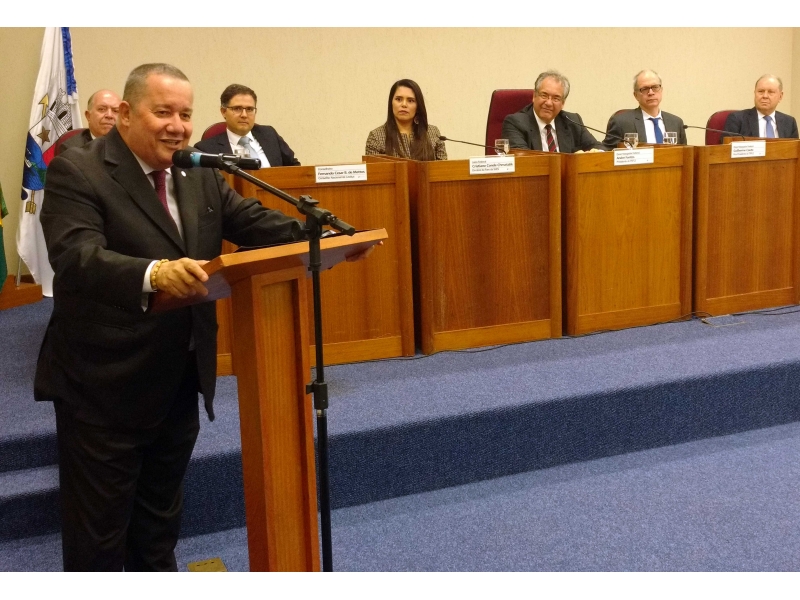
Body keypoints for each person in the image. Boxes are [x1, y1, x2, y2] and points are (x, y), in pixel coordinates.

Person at [34, 63, 306, 571]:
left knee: (159, 523)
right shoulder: (79, 168)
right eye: (163, 112)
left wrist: (316, 233)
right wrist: (154, 274)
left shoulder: (194, 171)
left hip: (180, 373)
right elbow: (75, 256)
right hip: (104, 385)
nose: (177, 125)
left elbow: (246, 219)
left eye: (184, 113)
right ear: (125, 115)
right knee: (98, 534)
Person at [194, 83, 300, 167]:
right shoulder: (206, 149)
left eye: (249, 109)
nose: (244, 115)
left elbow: (294, 167)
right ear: (223, 112)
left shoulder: (269, 135)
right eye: (237, 109)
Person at [502, 70, 602, 153]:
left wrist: (593, 154)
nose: (549, 103)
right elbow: (524, 160)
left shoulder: (573, 121)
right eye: (544, 95)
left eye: (556, 98)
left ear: (562, 103)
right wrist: (571, 160)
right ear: (534, 96)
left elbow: (599, 148)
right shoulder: (515, 123)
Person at [601, 70, 687, 149]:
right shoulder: (621, 122)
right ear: (636, 95)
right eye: (645, 89)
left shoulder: (676, 123)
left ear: (661, 90)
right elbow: (606, 153)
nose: (651, 92)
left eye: (655, 87)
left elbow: (684, 156)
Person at [365, 79, 447, 161]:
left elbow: (443, 171)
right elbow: (374, 172)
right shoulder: (376, 137)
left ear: (418, 106)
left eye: (410, 100)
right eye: (399, 99)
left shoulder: (433, 133)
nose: (404, 104)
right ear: (391, 103)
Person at [724, 75, 799, 139]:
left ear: (780, 96)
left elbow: (795, 152)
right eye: (761, 91)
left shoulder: (789, 122)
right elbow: (725, 150)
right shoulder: (737, 119)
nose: (765, 96)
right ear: (755, 93)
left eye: (770, 92)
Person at [57, 89, 121, 153]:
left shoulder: (128, 144)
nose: (109, 115)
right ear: (88, 116)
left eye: (115, 111)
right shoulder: (71, 149)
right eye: (102, 109)